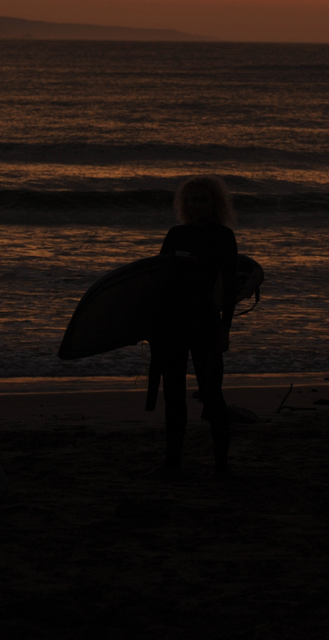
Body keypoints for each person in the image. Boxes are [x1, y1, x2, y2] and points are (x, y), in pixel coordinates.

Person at [147, 175, 239, 477]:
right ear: (185, 204)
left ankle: (221, 465)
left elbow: (231, 288)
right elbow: (159, 280)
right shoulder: (176, 235)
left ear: (215, 203)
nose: (198, 205)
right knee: (173, 395)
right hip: (172, 323)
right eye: (193, 200)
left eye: (204, 200)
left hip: (205, 323)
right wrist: (150, 325)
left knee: (212, 394)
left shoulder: (223, 237)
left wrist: (225, 329)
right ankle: (172, 462)